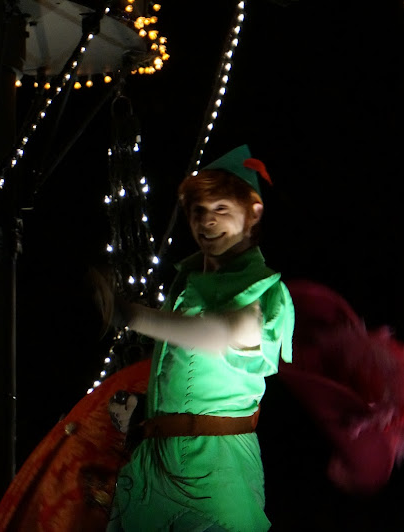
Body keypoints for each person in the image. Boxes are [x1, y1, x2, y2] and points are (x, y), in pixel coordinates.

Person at [103, 145, 295, 531]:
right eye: (198, 210)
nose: (207, 220)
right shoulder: (186, 281)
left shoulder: (264, 292)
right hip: (154, 466)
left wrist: (129, 314)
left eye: (221, 208)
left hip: (214, 471)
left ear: (254, 212)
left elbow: (216, 335)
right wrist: (143, 410)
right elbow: (186, 374)